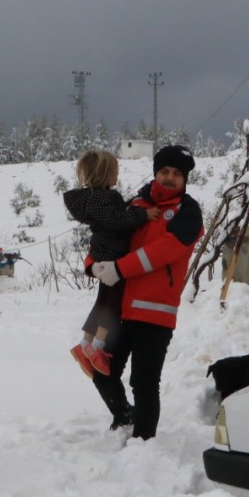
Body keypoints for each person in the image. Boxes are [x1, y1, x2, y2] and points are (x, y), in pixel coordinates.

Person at [87, 144, 203, 439]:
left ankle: (143, 441)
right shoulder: (135, 206)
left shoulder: (188, 212)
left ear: (185, 179)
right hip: (118, 307)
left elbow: (164, 251)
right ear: (155, 173)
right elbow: (106, 237)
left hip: (154, 312)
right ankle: (125, 417)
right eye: (164, 171)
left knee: (144, 381)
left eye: (177, 173)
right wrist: (93, 264)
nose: (169, 178)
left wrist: (120, 269)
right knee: (101, 369)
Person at [62, 149, 158, 377]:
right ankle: (97, 349)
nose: (118, 175)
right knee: (113, 305)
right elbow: (117, 221)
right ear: (106, 174)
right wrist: (142, 215)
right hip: (113, 256)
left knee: (102, 301)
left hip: (101, 253)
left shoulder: (90, 200)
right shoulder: (106, 198)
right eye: (116, 171)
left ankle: (85, 344)